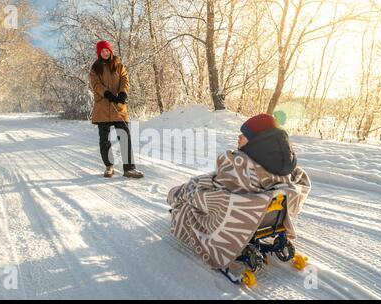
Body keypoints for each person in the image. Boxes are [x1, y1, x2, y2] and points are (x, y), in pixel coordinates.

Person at [166, 113, 310, 269]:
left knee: (189, 198)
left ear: (258, 143)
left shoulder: (238, 164)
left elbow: (218, 189)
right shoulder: (287, 170)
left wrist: (195, 189)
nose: (239, 137)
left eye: (245, 135)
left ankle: (173, 198)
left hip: (242, 216)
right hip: (270, 216)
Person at [89, 40, 144, 178]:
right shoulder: (95, 68)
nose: (105, 53)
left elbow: (125, 79)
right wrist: (106, 93)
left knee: (124, 135)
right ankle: (109, 166)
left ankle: (129, 169)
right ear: (99, 53)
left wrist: (122, 92)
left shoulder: (119, 64)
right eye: (102, 51)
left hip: (118, 107)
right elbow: (95, 84)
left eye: (107, 50)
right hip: (102, 107)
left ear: (110, 51)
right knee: (104, 139)